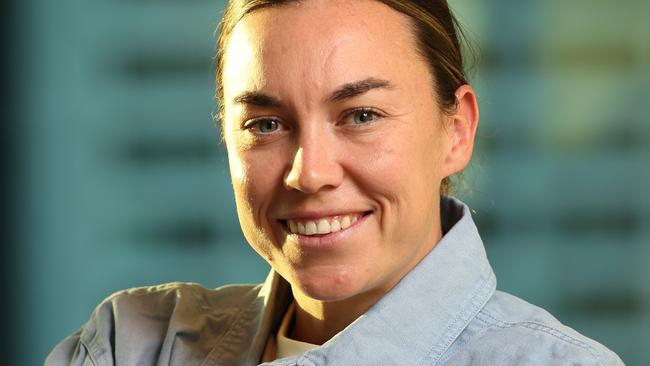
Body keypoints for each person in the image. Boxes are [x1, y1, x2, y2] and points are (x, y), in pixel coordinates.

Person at [46, 0, 624, 365]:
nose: (309, 172)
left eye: (361, 115)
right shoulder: (135, 342)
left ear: (456, 131)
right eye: (266, 124)